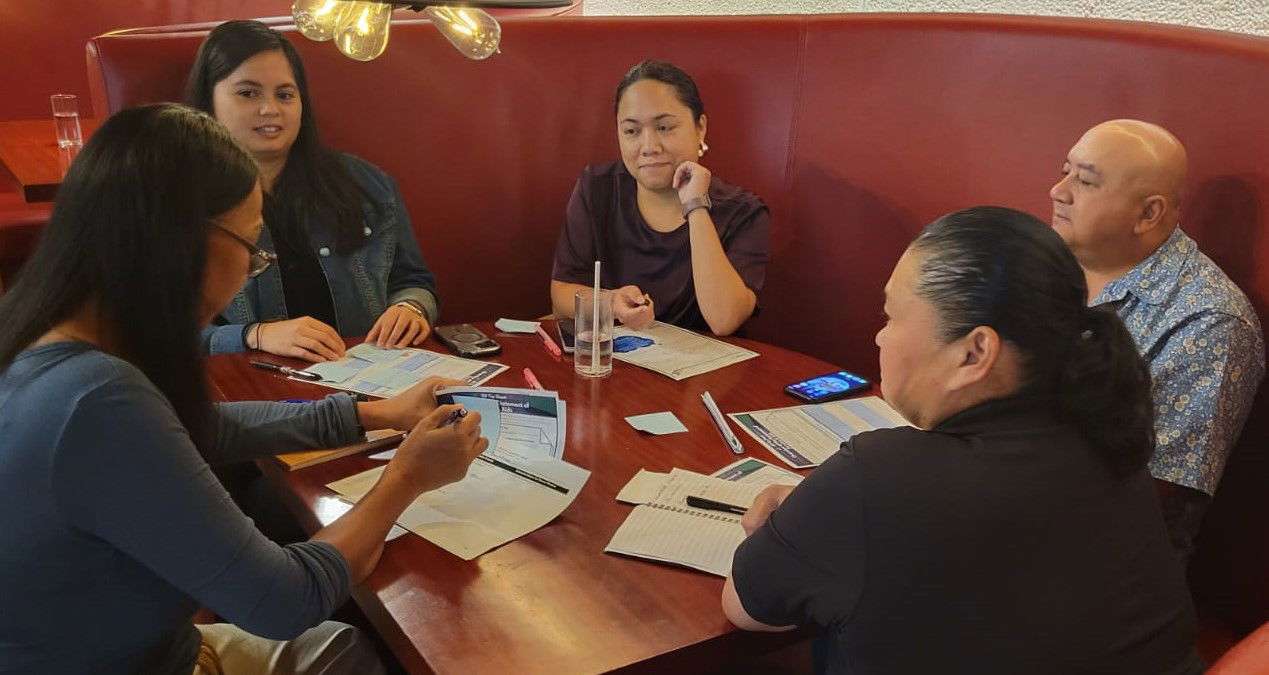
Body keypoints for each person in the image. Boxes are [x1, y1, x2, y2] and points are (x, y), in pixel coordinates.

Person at [0, 104, 488, 674]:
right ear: (184, 240)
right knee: (364, 647)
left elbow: (200, 428)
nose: (250, 269)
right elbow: (283, 601)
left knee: (347, 647)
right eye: (253, 249)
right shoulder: (95, 399)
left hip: (141, 648)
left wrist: (376, 413)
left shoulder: (38, 329)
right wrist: (407, 476)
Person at [724, 207, 1203, 675]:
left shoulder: (878, 476)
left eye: (891, 316)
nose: (878, 338)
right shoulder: (1111, 444)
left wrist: (810, 523)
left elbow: (744, 607)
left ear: (974, 352)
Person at [1050, 119, 1265, 561]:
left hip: (1103, 565)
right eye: (1065, 170)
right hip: (998, 494)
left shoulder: (1209, 323)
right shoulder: (1047, 257)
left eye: (1085, 181)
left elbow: (1150, 499)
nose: (1059, 190)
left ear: (1148, 213)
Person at [187, 19, 439, 361]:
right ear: (209, 100)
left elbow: (413, 280)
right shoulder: (175, 199)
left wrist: (412, 308)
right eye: (248, 93)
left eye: (285, 95)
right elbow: (155, 334)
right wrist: (254, 335)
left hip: (370, 375)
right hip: (254, 392)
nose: (270, 109)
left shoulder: (366, 184)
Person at [550, 60, 769, 336]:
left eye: (664, 128)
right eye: (632, 131)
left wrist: (695, 205)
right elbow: (560, 296)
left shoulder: (742, 212)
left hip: (705, 372)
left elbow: (724, 320)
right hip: (617, 364)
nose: (649, 147)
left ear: (700, 128)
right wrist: (611, 302)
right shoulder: (597, 188)